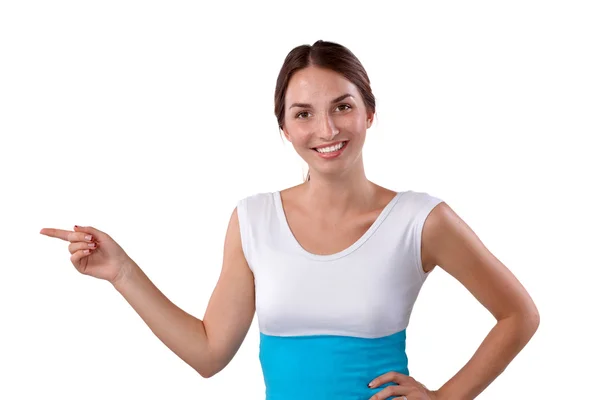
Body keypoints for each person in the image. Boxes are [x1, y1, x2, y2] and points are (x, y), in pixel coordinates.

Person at [40, 40, 540, 400]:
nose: (326, 129)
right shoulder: (254, 220)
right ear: (283, 126)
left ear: (369, 113)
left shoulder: (419, 220)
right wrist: (123, 273)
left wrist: (445, 399)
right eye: (303, 114)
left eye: (342, 107)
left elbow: (519, 315)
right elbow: (210, 354)